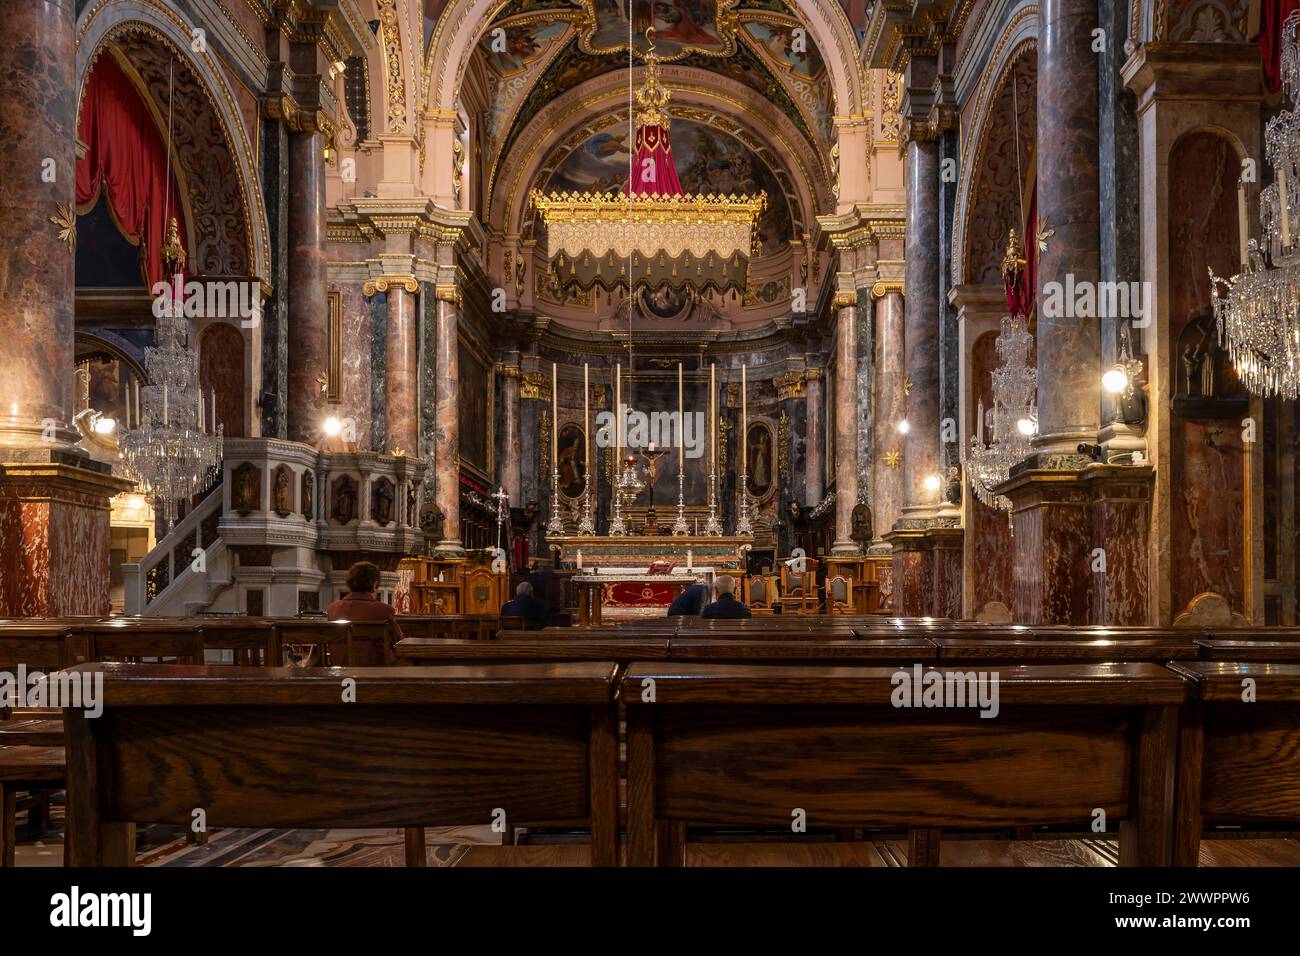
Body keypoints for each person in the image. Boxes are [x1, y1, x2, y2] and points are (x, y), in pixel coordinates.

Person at [327, 561, 403, 660]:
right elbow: (399, 641)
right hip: (378, 670)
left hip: (339, 668)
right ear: (375, 584)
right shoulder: (385, 611)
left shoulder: (333, 608)